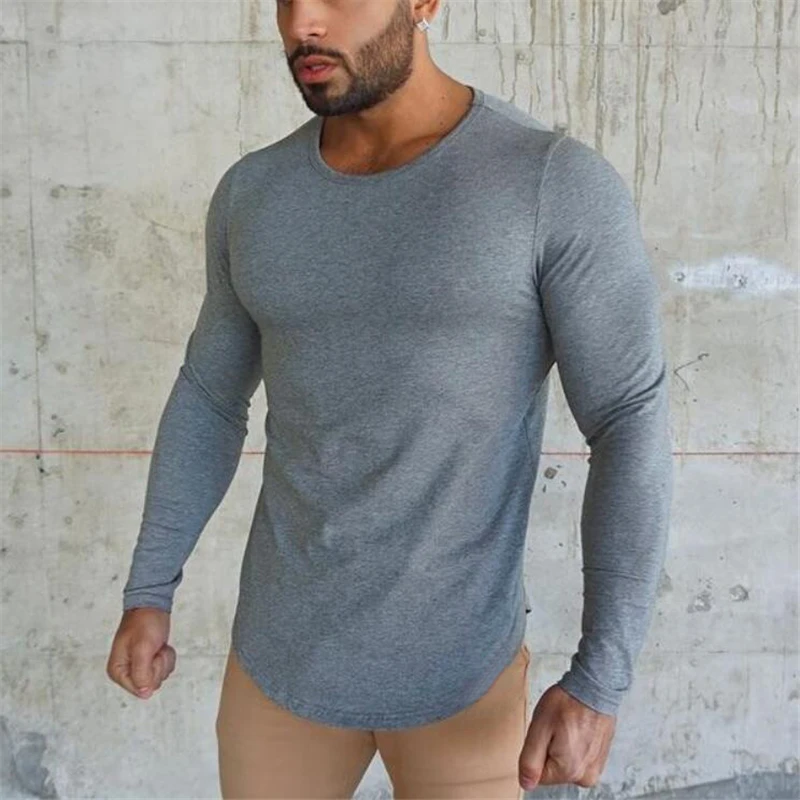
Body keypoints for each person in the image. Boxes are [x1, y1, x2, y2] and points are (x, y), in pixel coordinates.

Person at [106, 0, 673, 796]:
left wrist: (600, 678)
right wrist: (150, 589)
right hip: (279, 665)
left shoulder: (548, 182)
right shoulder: (253, 194)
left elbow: (627, 418)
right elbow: (208, 397)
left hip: (464, 679)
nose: (303, 23)